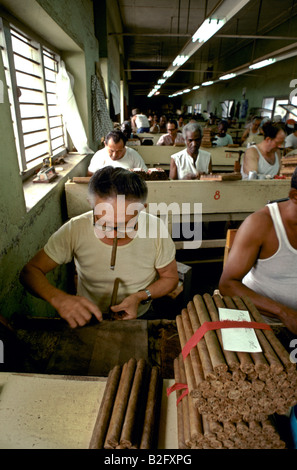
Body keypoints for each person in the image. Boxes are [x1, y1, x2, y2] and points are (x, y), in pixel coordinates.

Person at [20, 167, 179, 328]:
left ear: (142, 209)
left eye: (127, 224)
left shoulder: (156, 228)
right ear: (91, 204)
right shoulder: (75, 228)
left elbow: (170, 278)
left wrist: (140, 297)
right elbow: (30, 272)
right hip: (88, 316)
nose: (114, 234)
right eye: (104, 224)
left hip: (141, 313)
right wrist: (58, 298)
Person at [219, 166, 297, 335]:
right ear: (295, 196)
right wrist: (284, 313)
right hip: (260, 323)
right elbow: (227, 285)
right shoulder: (261, 224)